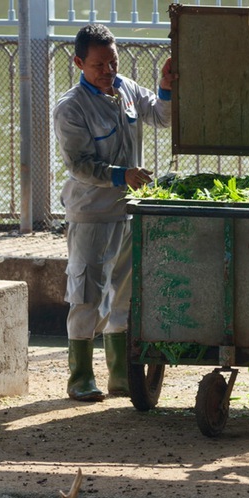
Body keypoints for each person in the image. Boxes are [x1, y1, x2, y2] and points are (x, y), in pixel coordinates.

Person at [53, 23, 173, 401]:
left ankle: (120, 375)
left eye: (113, 62)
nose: (108, 72)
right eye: (99, 65)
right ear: (78, 62)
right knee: (87, 292)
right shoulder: (71, 108)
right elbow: (80, 166)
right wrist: (123, 175)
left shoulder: (127, 90)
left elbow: (162, 116)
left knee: (124, 295)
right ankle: (80, 377)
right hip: (91, 213)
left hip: (127, 210)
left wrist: (167, 85)